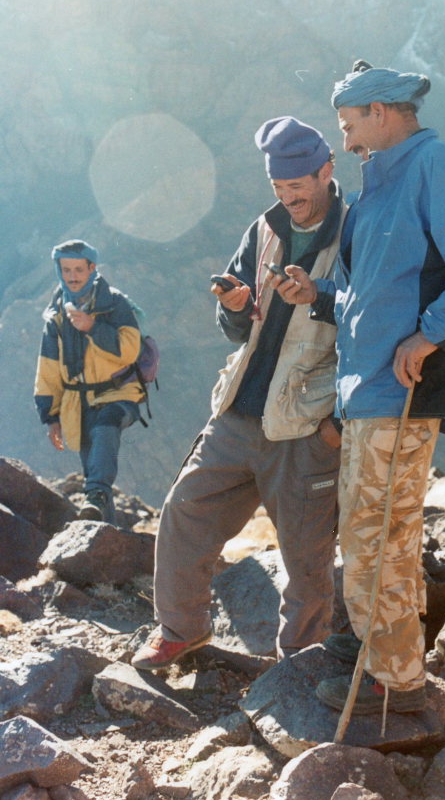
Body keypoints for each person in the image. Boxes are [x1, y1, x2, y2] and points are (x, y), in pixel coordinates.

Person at [270, 62, 445, 715]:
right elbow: (364, 294)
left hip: (400, 390)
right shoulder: (375, 190)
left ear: (382, 111)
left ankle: (392, 682)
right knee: (378, 531)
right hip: (367, 391)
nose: (346, 142)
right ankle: (386, 665)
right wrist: (317, 293)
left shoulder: (434, 164)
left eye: (351, 126)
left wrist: (428, 334)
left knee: (379, 534)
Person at [131, 116, 348, 670]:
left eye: (297, 187)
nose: (288, 198)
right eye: (278, 188)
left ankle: (301, 661)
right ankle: (181, 630)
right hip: (240, 407)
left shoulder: (358, 230)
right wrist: (234, 307)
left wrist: (336, 427)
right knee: (185, 511)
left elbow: (372, 321)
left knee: (305, 554)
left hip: (306, 420)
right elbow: (239, 324)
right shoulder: (266, 227)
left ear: (326, 171)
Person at [34, 240, 144, 523]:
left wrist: (92, 327)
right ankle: (101, 529)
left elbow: (130, 351)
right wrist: (51, 417)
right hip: (77, 402)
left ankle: (94, 496)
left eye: (78, 270)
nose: (72, 276)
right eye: (66, 269)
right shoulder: (56, 316)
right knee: (92, 464)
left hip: (119, 392)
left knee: (106, 425)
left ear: (92, 269)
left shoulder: (114, 303)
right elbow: (48, 370)